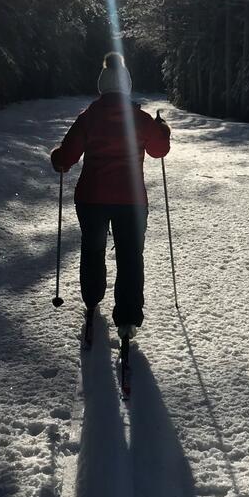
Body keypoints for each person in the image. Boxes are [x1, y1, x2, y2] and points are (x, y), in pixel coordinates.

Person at [50, 51, 171, 341]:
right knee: (130, 256)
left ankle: (92, 298)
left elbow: (65, 159)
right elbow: (159, 151)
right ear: (127, 86)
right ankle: (128, 318)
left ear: (102, 86)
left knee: (93, 249)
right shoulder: (141, 119)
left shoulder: (89, 116)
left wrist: (58, 156)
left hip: (91, 198)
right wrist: (163, 130)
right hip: (131, 201)